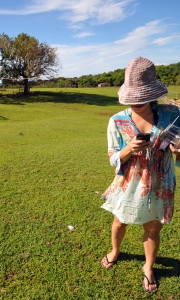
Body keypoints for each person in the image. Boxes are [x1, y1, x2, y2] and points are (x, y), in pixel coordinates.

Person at [100, 56, 180, 293]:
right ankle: (115, 251)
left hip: (160, 183)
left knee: (153, 229)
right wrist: (128, 150)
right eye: (133, 98)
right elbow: (112, 158)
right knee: (119, 221)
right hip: (128, 184)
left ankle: (148, 267)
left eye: (143, 97)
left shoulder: (172, 114)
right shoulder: (117, 121)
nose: (138, 102)